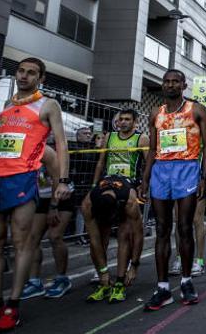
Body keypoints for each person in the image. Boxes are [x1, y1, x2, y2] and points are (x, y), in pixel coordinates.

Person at [0, 58, 71, 331]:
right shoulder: (7, 104)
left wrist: (63, 180)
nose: (24, 76)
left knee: (21, 241)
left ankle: (13, 306)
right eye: (21, 71)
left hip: (22, 177)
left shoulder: (48, 105)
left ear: (41, 78)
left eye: (31, 73)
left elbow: (61, 143)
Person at [141, 69, 206, 311]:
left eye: (175, 81)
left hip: (187, 169)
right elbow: (152, 149)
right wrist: (145, 179)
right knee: (162, 228)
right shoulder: (156, 113)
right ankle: (162, 287)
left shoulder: (196, 110)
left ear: (183, 85)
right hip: (161, 170)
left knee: (184, 227)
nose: (170, 85)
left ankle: (186, 281)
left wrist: (204, 177)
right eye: (167, 81)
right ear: (163, 85)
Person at [82, 109, 148, 303]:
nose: (123, 122)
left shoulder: (141, 139)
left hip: (129, 186)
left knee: (124, 235)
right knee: (100, 236)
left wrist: (134, 266)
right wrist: (94, 185)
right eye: (121, 120)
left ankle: (119, 281)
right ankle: (104, 280)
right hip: (105, 185)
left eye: (128, 119)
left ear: (135, 122)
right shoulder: (109, 137)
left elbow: (147, 164)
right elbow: (101, 163)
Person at [20, 144, 76, 300]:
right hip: (41, 197)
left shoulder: (54, 150)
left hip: (62, 197)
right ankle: (34, 282)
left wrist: (54, 206)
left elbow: (58, 180)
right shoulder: (25, 148)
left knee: (55, 236)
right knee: (32, 238)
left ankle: (62, 279)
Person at [171, 130, 206, 277]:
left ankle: (199, 261)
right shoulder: (179, 128)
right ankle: (180, 259)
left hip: (198, 180)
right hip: (179, 179)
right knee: (179, 220)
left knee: (196, 220)